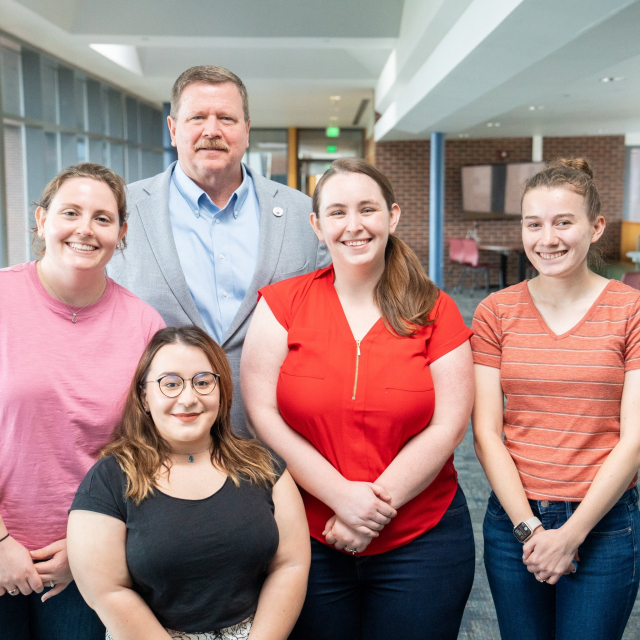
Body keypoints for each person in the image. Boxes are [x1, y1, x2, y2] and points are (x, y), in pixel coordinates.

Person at [241, 158, 476, 640]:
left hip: (422, 539)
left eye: (367, 209)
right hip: (307, 534)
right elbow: (263, 413)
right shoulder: (282, 305)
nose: (354, 225)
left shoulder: (435, 309)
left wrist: (368, 512)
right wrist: (340, 497)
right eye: (337, 212)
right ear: (317, 226)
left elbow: (449, 425)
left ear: (391, 217)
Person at [108, 65, 329, 437]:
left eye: (226, 118)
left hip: (276, 440)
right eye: (197, 117)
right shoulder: (120, 210)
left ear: (246, 130)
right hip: (158, 439)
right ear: (174, 128)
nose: (212, 130)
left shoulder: (300, 213)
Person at [472, 158, 640, 640]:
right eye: (534, 224)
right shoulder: (495, 312)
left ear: (596, 227)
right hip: (513, 523)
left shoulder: (630, 311)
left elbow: (633, 440)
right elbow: (485, 433)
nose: (548, 239)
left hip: (605, 524)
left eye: (564, 222)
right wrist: (530, 530)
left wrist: (571, 534)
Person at [0, 163, 165, 639]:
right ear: (41, 220)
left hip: (84, 558)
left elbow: (147, 451)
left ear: (122, 232)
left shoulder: (143, 325)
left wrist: (88, 547)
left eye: (102, 218)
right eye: (70, 212)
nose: (85, 230)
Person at [67, 326, 310, 639]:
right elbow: (107, 591)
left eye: (203, 382)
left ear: (221, 392)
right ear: (144, 395)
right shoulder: (110, 479)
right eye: (170, 384)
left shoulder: (263, 466)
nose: (188, 398)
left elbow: (290, 566)